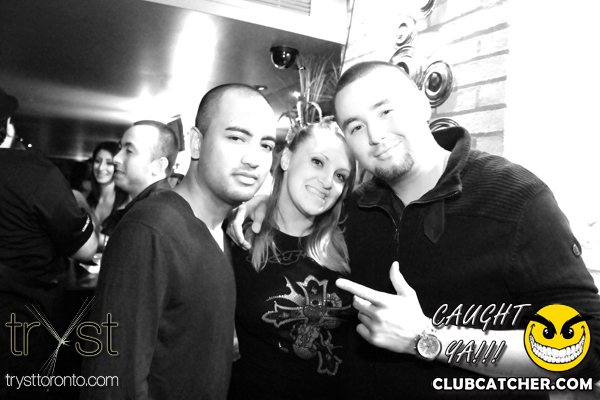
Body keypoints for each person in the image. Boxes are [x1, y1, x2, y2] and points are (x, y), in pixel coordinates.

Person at [229, 61, 600, 398]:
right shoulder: (355, 209)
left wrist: (430, 338)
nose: (376, 135)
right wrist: (259, 203)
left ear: (423, 104)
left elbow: (587, 346)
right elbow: (300, 218)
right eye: (356, 127)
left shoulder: (515, 198)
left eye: (386, 111)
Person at [80, 83, 277, 400]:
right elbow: (112, 381)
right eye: (236, 138)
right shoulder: (150, 229)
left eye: (266, 145)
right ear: (196, 142)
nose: (254, 158)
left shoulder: (225, 231)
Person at [228, 121, 356, 400]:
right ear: (286, 158)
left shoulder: (352, 243)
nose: (327, 182)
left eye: (340, 176)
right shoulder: (239, 238)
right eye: (317, 162)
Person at [0, 86, 97, 399]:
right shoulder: (32, 171)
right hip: (20, 331)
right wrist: (79, 204)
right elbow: (86, 249)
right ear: (7, 126)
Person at [99, 120, 178, 241]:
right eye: (120, 148)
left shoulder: (152, 217)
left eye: (129, 151)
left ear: (158, 166)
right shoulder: (154, 207)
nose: (115, 158)